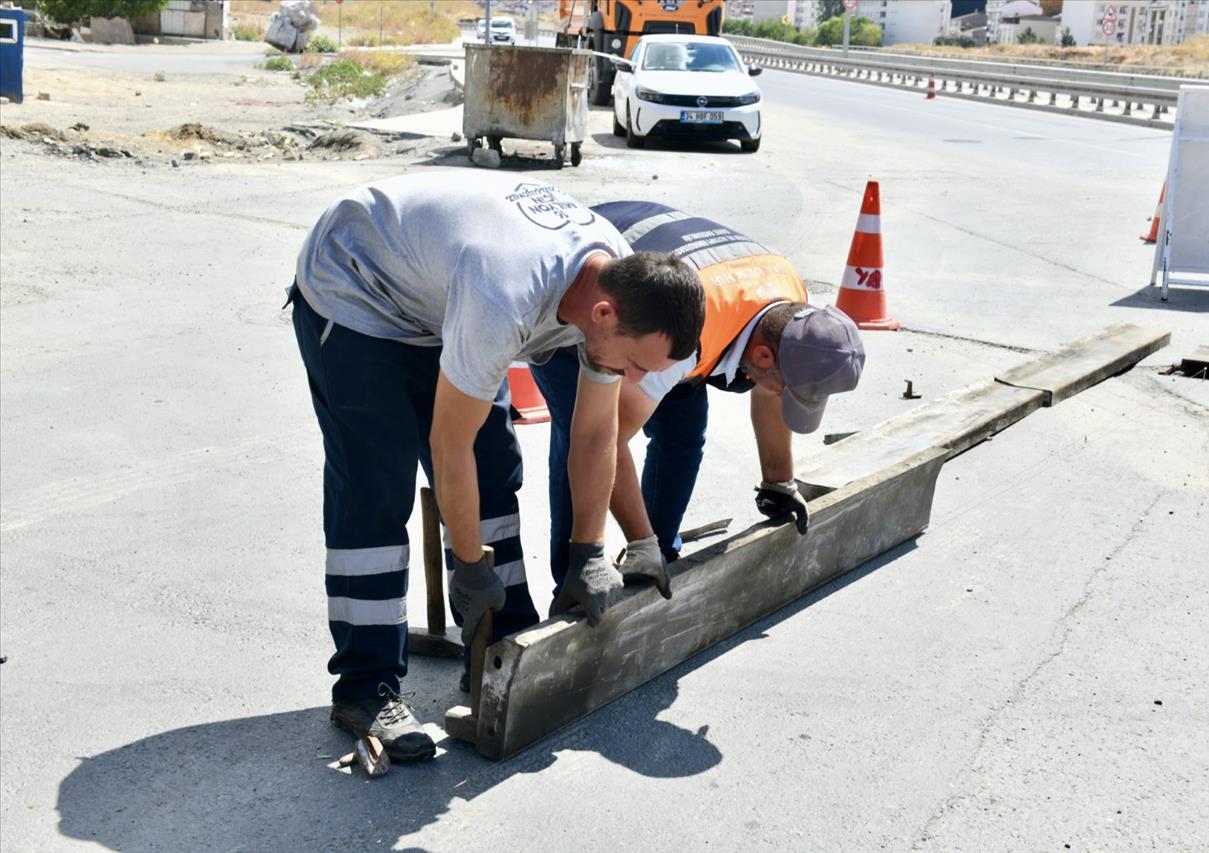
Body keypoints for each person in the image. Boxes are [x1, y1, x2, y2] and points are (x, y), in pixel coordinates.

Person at [289, 176, 704, 762]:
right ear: (604, 313)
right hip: (357, 284)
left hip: (437, 294)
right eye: (635, 364)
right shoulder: (504, 290)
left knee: (494, 466)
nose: (635, 380)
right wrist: (466, 564)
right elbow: (447, 444)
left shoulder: (616, 282)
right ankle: (366, 687)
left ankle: (500, 647)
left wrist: (589, 551)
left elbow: (592, 434)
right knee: (375, 489)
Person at [530, 201, 865, 590]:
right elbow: (607, 439)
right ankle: (575, 581)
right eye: (783, 387)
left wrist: (779, 482)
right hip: (582, 300)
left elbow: (772, 387)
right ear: (761, 355)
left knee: (683, 431)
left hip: (666, 293)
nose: (778, 392)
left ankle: (657, 558)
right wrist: (641, 542)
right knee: (584, 436)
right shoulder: (694, 330)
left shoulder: (790, 305)